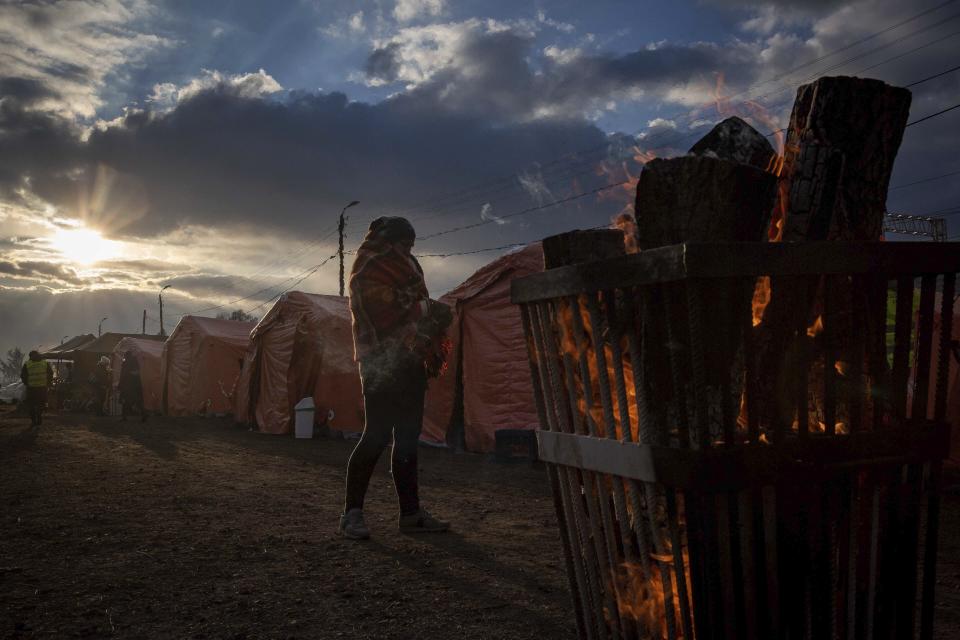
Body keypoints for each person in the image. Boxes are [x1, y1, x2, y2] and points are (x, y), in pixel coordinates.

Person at [340, 216, 453, 540]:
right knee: (375, 435)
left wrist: (430, 318)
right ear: (388, 240)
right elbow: (380, 307)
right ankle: (352, 515)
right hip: (378, 361)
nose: (407, 251)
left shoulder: (409, 266)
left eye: (411, 246)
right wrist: (427, 308)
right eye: (403, 244)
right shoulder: (367, 267)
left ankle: (411, 514)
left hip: (410, 360)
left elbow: (414, 304)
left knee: (407, 438)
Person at [20, 350, 53, 427]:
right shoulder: (44, 363)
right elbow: (50, 373)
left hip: (31, 388)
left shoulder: (27, 364)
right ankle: (39, 415)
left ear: (30, 356)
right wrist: (48, 383)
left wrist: (26, 383)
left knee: (31, 405)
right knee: (41, 403)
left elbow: (23, 375)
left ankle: (34, 420)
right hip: (42, 388)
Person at [118, 351, 146, 422]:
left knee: (128, 401)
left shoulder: (127, 363)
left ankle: (125, 417)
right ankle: (143, 414)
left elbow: (124, 374)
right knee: (134, 401)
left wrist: (120, 384)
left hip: (128, 386)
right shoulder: (133, 362)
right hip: (133, 385)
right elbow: (136, 373)